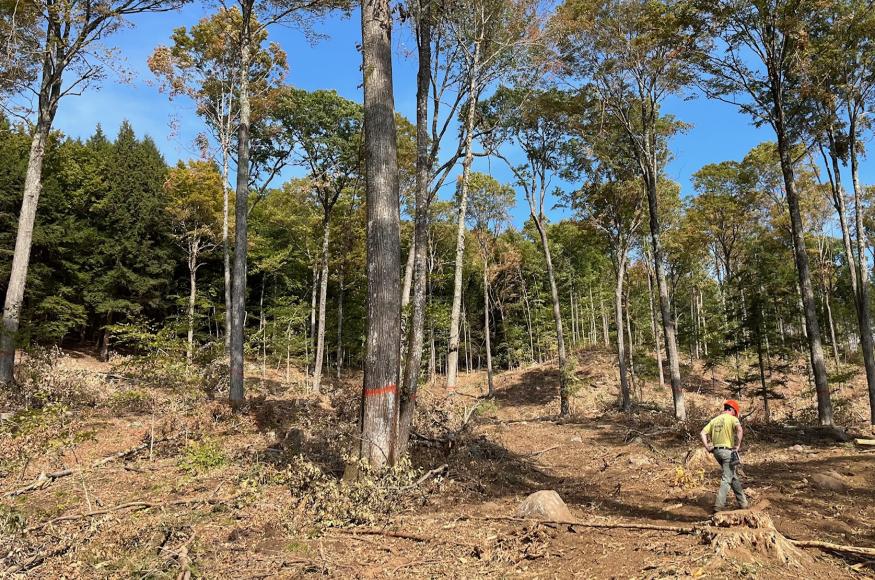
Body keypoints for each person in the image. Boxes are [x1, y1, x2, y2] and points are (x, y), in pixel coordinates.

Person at [700, 399, 748, 512]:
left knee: (732, 476)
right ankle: (718, 506)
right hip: (727, 452)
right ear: (732, 410)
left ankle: (743, 503)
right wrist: (737, 445)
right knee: (726, 478)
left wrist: (707, 447)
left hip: (716, 452)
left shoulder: (714, 420)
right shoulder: (732, 419)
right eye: (735, 412)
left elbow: (702, 433)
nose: (735, 414)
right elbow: (739, 430)